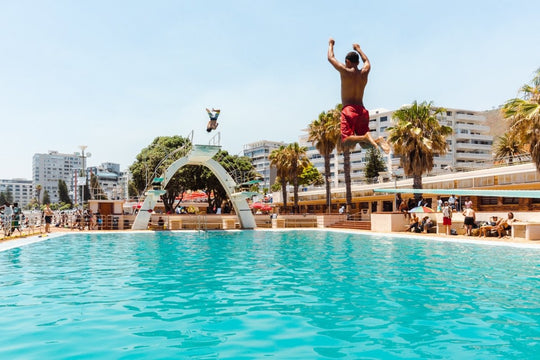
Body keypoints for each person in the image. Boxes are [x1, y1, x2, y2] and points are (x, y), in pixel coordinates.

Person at [327, 38, 390, 154]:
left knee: (346, 140)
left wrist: (331, 44)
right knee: (364, 146)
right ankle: (378, 140)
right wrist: (358, 49)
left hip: (349, 110)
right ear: (358, 62)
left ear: (347, 61)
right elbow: (367, 61)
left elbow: (330, 58)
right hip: (362, 110)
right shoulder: (364, 72)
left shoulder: (345, 71)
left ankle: (365, 137)